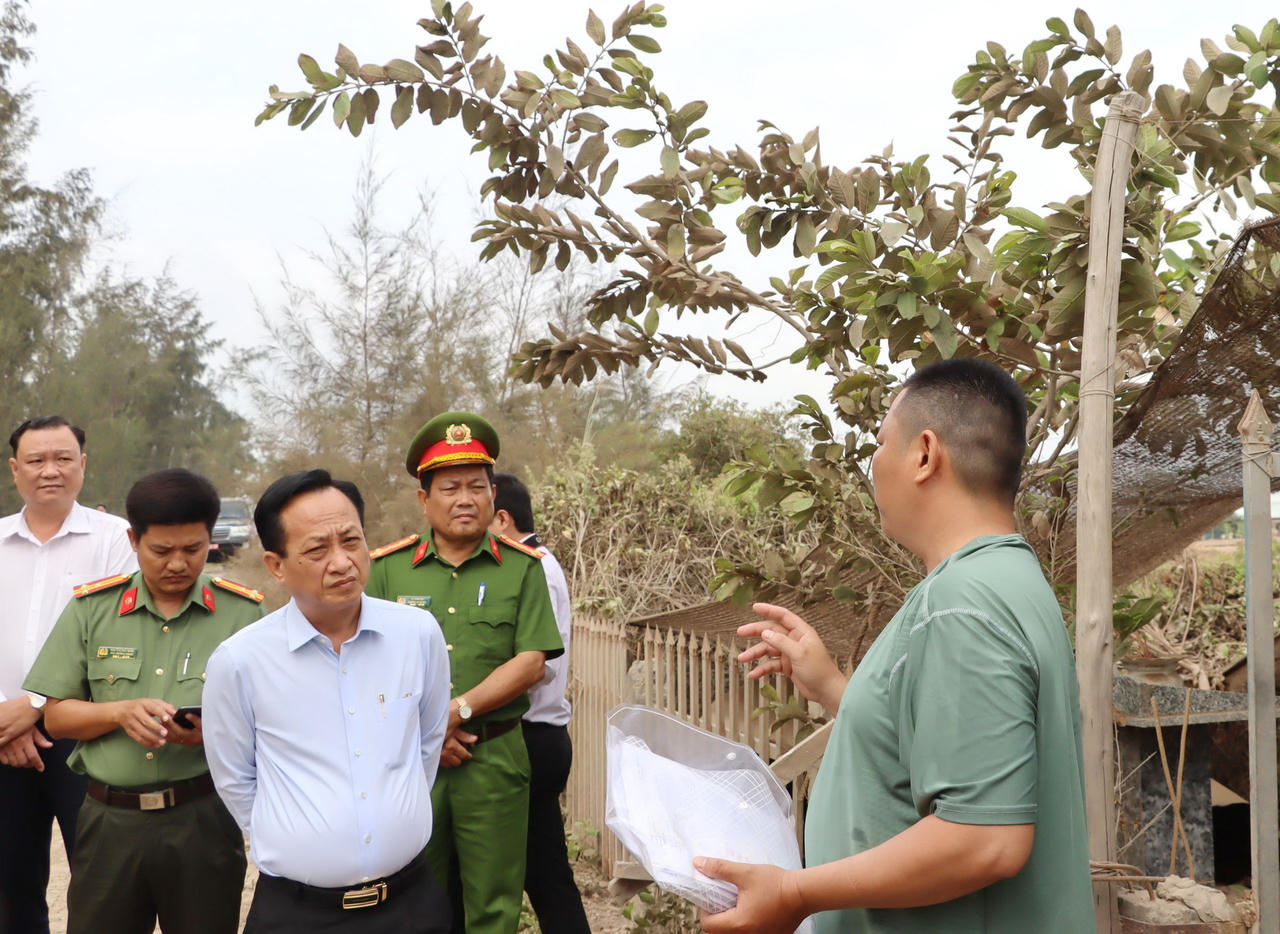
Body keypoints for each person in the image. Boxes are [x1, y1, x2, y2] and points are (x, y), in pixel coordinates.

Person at [697, 359, 1093, 934]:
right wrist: (834, 688)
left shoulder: (963, 603)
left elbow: (985, 839)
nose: (874, 464)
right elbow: (950, 749)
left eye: (881, 443)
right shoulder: (1002, 581)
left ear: (926, 454)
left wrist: (793, 893)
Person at [202, 469, 452, 933]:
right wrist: (300, 838)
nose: (342, 562)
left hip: (412, 905)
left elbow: (427, 742)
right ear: (276, 565)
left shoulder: (416, 635)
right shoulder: (241, 661)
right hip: (298, 914)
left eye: (351, 541)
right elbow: (235, 778)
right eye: (317, 549)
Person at [22, 468, 265, 934]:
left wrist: (207, 734)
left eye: (193, 549)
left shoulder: (244, 614)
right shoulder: (92, 610)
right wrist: (118, 712)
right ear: (133, 540)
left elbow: (271, 718)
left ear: (210, 539)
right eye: (161, 550)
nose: (178, 563)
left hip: (203, 820)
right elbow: (56, 716)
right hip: (109, 823)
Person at [365, 412, 563, 934]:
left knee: (494, 905)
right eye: (449, 487)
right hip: (408, 758)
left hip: (494, 757)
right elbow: (365, 664)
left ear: (494, 495)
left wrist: (457, 710)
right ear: (423, 500)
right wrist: (427, 729)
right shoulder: (387, 570)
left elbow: (531, 661)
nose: (465, 499)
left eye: (477, 486)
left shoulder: (523, 569)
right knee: (412, 896)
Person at [0, 415, 136, 934]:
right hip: (2, 741)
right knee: (11, 889)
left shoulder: (115, 540)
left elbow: (114, 639)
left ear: (83, 464)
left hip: (83, 737)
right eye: (36, 460)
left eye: (63, 459)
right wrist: (6, 721)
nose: (49, 471)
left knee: (99, 886)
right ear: (16, 470)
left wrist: (33, 706)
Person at [489, 472, 591, 934]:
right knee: (541, 871)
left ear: (503, 519)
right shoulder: (536, 563)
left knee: (546, 875)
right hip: (533, 734)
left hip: (532, 735)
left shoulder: (534, 568)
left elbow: (537, 665)